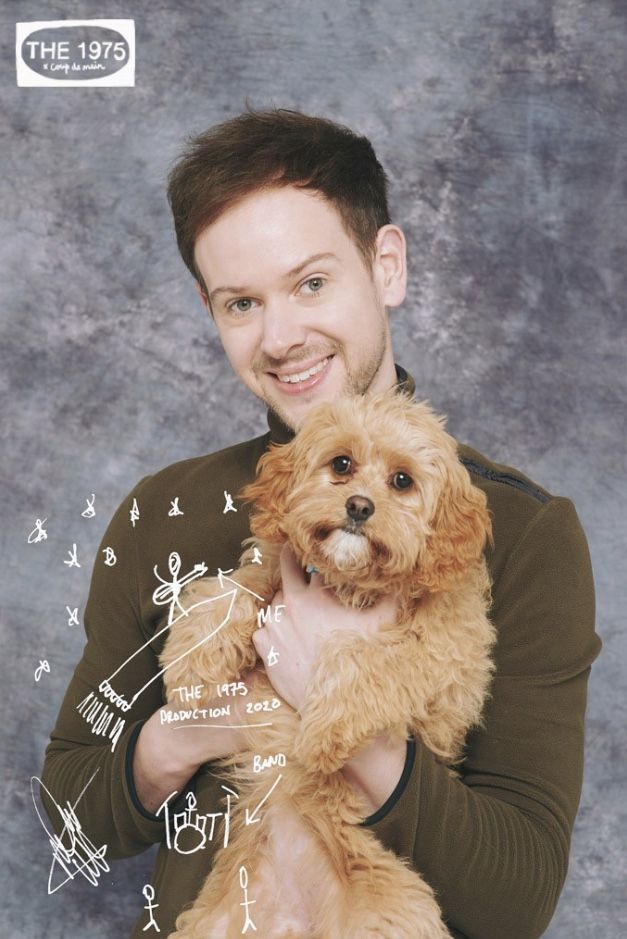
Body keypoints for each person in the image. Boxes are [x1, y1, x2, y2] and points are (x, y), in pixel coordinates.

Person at [41, 106, 602, 939]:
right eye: (240, 303)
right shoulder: (162, 510)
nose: (281, 337)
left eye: (310, 283)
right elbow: (71, 817)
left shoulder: (522, 531)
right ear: (209, 308)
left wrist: (334, 704)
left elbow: (515, 902)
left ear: (385, 265)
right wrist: (192, 727)